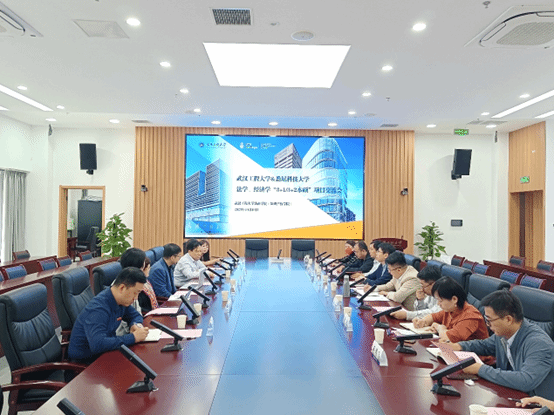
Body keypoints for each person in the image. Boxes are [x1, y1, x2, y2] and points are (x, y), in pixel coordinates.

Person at [447, 290, 554, 400]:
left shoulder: (539, 344)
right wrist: (459, 346)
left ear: (508, 319)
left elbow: (526, 381)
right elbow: (484, 345)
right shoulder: (504, 333)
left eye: (490, 320)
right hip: (510, 394)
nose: (488, 325)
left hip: (536, 403)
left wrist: (480, 369)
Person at [68, 267, 149, 362]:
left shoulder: (121, 301)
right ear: (122, 288)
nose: (136, 298)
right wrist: (133, 337)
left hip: (106, 353)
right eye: (135, 293)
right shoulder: (98, 309)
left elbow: (135, 315)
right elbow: (98, 344)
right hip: (86, 363)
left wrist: (135, 325)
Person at [412, 276, 489, 343]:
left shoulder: (471, 316)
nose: (438, 304)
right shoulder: (450, 309)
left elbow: (449, 338)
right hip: (453, 350)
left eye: (440, 300)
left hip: (474, 354)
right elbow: (433, 317)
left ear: (454, 299)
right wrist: (422, 321)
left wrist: (439, 327)